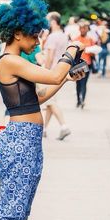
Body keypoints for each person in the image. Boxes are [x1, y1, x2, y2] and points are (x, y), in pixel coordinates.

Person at [0, 0, 85, 220]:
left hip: (28, 138)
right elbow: (53, 72)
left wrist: (67, 77)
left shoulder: (20, 63)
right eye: (33, 34)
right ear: (17, 32)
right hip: (19, 139)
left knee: (18, 211)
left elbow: (42, 91)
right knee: (9, 212)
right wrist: (71, 50)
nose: (36, 40)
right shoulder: (9, 60)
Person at [43, 12, 71, 140]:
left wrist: (46, 71)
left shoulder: (52, 37)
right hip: (61, 69)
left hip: (52, 71)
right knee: (50, 101)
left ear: (53, 22)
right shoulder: (64, 36)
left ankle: (64, 126)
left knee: (50, 101)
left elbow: (50, 55)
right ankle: (44, 129)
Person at [74, 21, 95, 108]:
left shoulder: (90, 39)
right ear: (79, 29)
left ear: (87, 29)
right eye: (81, 28)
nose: (83, 30)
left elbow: (94, 52)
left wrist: (91, 51)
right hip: (78, 64)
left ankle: (83, 100)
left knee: (84, 83)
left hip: (87, 63)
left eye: (84, 28)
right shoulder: (76, 39)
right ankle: (78, 100)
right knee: (78, 82)